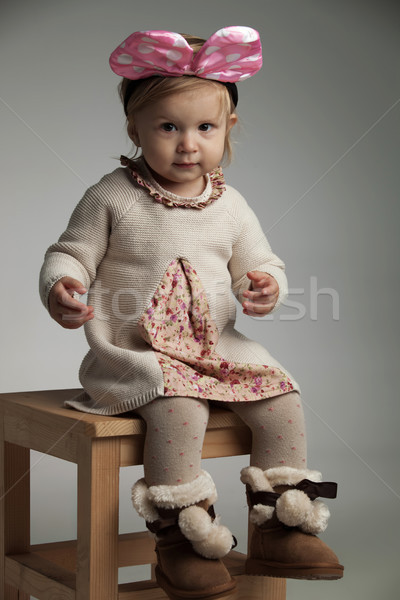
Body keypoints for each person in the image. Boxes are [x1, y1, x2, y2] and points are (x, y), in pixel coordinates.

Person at [39, 26, 343, 600]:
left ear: (227, 128)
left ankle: (279, 525)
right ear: (135, 128)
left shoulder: (230, 203)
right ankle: (181, 539)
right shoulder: (112, 194)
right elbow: (69, 251)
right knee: (179, 406)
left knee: (283, 396)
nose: (187, 144)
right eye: (168, 127)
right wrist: (64, 283)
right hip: (136, 353)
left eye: (204, 127)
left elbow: (261, 259)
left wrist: (265, 285)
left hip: (214, 345)